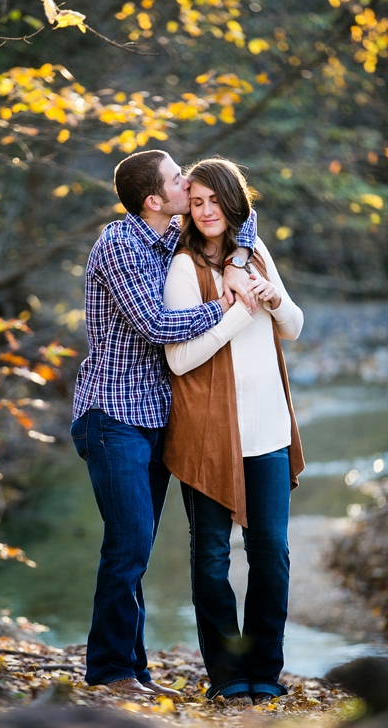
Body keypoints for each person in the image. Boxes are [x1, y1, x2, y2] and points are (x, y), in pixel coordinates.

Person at [70, 149, 261, 696]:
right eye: (179, 179)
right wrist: (227, 306)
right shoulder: (120, 243)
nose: (188, 184)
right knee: (128, 545)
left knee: (138, 549)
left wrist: (234, 261)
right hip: (112, 415)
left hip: (155, 418)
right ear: (155, 200)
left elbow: (241, 212)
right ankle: (111, 672)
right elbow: (156, 324)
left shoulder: (172, 237)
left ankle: (133, 672)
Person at [162, 158, 304, 706]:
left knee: (272, 553)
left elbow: (293, 327)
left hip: (265, 431)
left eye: (213, 201)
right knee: (212, 558)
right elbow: (179, 361)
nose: (205, 211)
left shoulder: (257, 254)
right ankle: (225, 672)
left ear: (233, 201)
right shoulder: (181, 270)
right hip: (208, 435)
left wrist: (270, 298)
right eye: (195, 203)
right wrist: (239, 315)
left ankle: (265, 667)